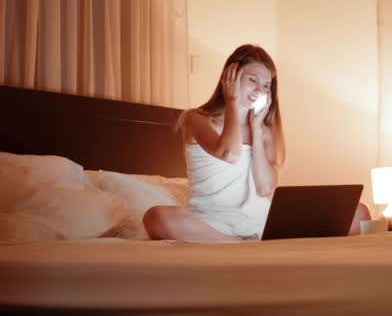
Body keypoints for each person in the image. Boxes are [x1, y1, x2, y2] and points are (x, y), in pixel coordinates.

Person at [143, 44, 370, 242]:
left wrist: (257, 129)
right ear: (229, 78)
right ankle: (237, 244)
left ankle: (262, 241)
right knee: (156, 217)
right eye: (252, 80)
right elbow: (229, 153)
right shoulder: (196, 119)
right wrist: (232, 102)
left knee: (359, 213)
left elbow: (264, 187)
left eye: (266, 85)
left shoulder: (265, 130)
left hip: (261, 223)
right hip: (212, 223)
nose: (259, 90)